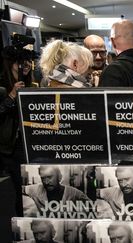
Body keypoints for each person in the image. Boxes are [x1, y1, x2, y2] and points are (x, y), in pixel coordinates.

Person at [0, 46, 34, 216]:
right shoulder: (3, 87)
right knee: (21, 188)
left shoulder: (30, 85)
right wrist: (12, 95)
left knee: (29, 188)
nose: (25, 65)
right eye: (21, 62)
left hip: (29, 144)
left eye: (28, 61)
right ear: (11, 63)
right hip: (12, 147)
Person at [23, 165, 91, 215]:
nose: (46, 182)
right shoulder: (36, 189)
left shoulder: (74, 193)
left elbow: (92, 207)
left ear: (59, 176)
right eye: (43, 178)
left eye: (50, 177)